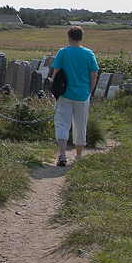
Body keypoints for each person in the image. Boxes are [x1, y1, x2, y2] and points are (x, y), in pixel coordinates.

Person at [49, 26, 99, 167]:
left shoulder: (63, 52)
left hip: (65, 93)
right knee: (80, 125)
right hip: (82, 94)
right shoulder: (89, 54)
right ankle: (79, 155)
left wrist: (56, 91)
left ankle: (62, 154)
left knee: (62, 124)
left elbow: (56, 74)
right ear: (81, 37)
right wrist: (89, 91)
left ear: (69, 37)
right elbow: (94, 76)